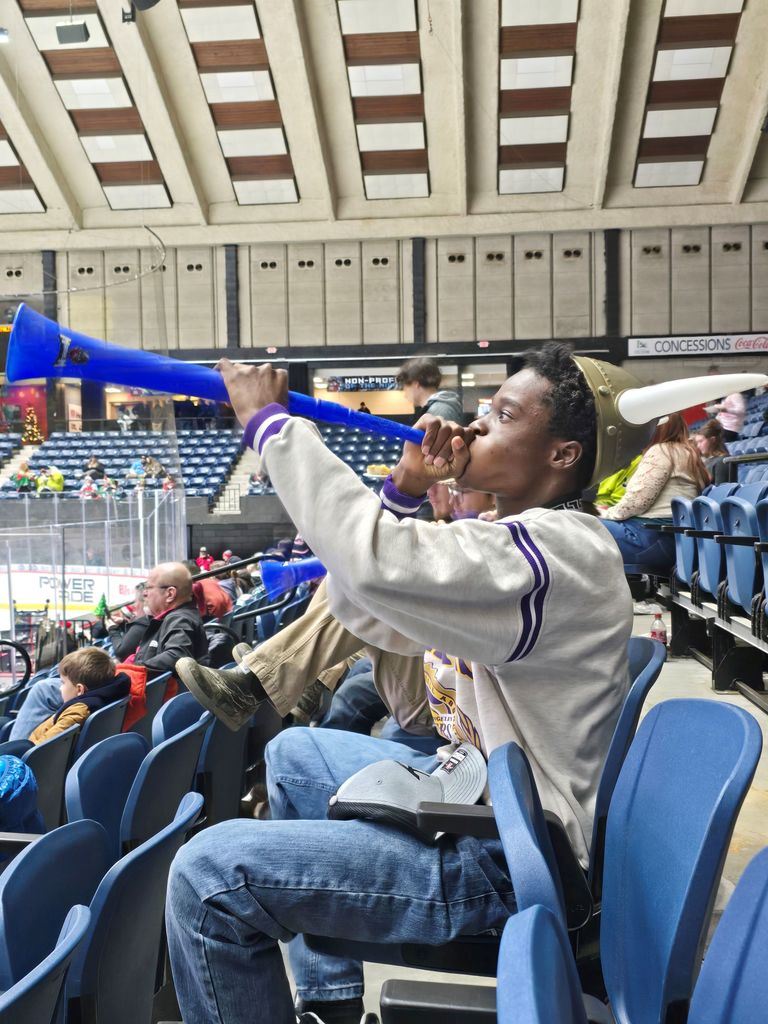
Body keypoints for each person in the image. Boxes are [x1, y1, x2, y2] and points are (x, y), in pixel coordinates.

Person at [168, 345, 638, 1024]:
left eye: (502, 416)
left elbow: (372, 568)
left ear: (563, 454)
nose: (475, 428)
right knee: (293, 757)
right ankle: (327, 998)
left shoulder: (557, 552)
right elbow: (363, 607)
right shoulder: (514, 536)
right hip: (489, 796)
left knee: (208, 875)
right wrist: (406, 491)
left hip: (515, 858)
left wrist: (273, 427)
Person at [601, 413, 709, 571]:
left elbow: (637, 502)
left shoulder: (662, 451)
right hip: (672, 543)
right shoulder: (689, 453)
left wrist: (605, 514)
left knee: (581, 525)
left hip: (649, 540)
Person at [396, 356, 464, 423]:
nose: (405, 395)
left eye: (405, 388)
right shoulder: (441, 407)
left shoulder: (438, 411)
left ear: (416, 384)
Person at [693, 419, 730, 485]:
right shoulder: (708, 460)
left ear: (712, 440)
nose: (698, 446)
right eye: (697, 443)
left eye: (701, 441)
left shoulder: (722, 461)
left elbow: (720, 489)